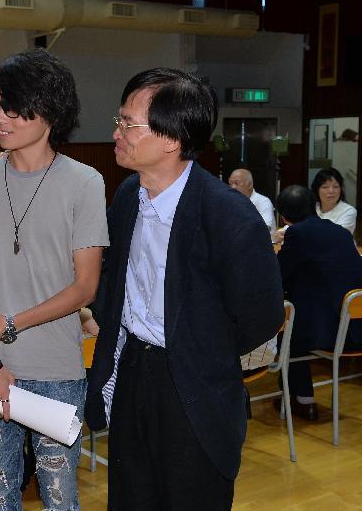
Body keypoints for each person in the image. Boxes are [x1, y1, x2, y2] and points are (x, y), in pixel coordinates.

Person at [84, 68, 284, 509]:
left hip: (195, 383)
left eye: (128, 124)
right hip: (135, 370)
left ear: (172, 139)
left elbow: (262, 316)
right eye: (120, 120)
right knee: (131, 496)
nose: (117, 132)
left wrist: (201, 348)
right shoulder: (126, 197)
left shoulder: (228, 216)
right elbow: (114, 281)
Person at [0, 48, 108, 510]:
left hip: (58, 371)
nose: (0, 117)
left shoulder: (85, 182)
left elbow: (85, 287)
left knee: (60, 499)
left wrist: (11, 323)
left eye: (12, 107)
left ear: (49, 111)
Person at [274, 184, 362, 419]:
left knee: (287, 332)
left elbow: (278, 274)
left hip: (328, 334)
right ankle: (293, 396)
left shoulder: (297, 234)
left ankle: (304, 400)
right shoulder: (341, 233)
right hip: (354, 329)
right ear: (314, 206)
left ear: (284, 216)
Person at [312, 167, 357, 235]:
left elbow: (336, 237)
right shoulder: (310, 208)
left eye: (336, 186)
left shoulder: (348, 211)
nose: (331, 191)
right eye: (325, 187)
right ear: (317, 190)